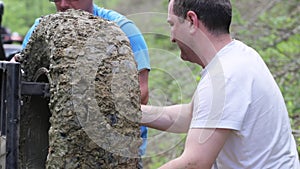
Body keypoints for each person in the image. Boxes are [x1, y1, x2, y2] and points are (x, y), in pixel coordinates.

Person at [140, 0, 300, 168]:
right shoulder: (238, 55)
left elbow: (194, 163)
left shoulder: (225, 77)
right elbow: (191, 115)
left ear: (191, 21)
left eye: (172, 25)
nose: (172, 37)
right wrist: (132, 113)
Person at [20, 0, 150, 168]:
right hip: (50, 148)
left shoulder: (122, 29)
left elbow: (142, 93)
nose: (63, 5)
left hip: (114, 154)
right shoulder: (39, 29)